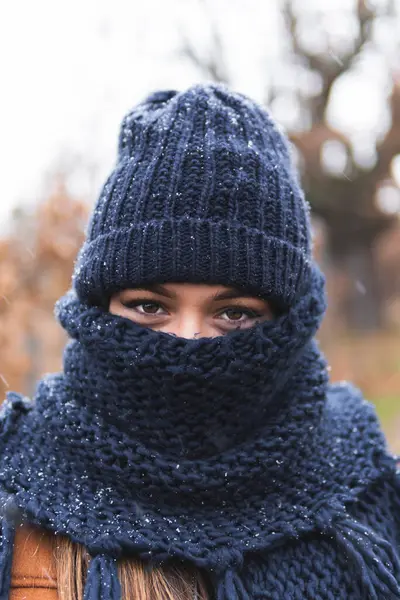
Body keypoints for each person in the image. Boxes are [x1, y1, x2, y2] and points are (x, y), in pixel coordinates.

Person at [0, 83, 399, 600]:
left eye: (234, 312)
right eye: (149, 306)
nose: (189, 342)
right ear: (99, 304)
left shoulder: (364, 486)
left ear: (289, 318)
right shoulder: (22, 493)